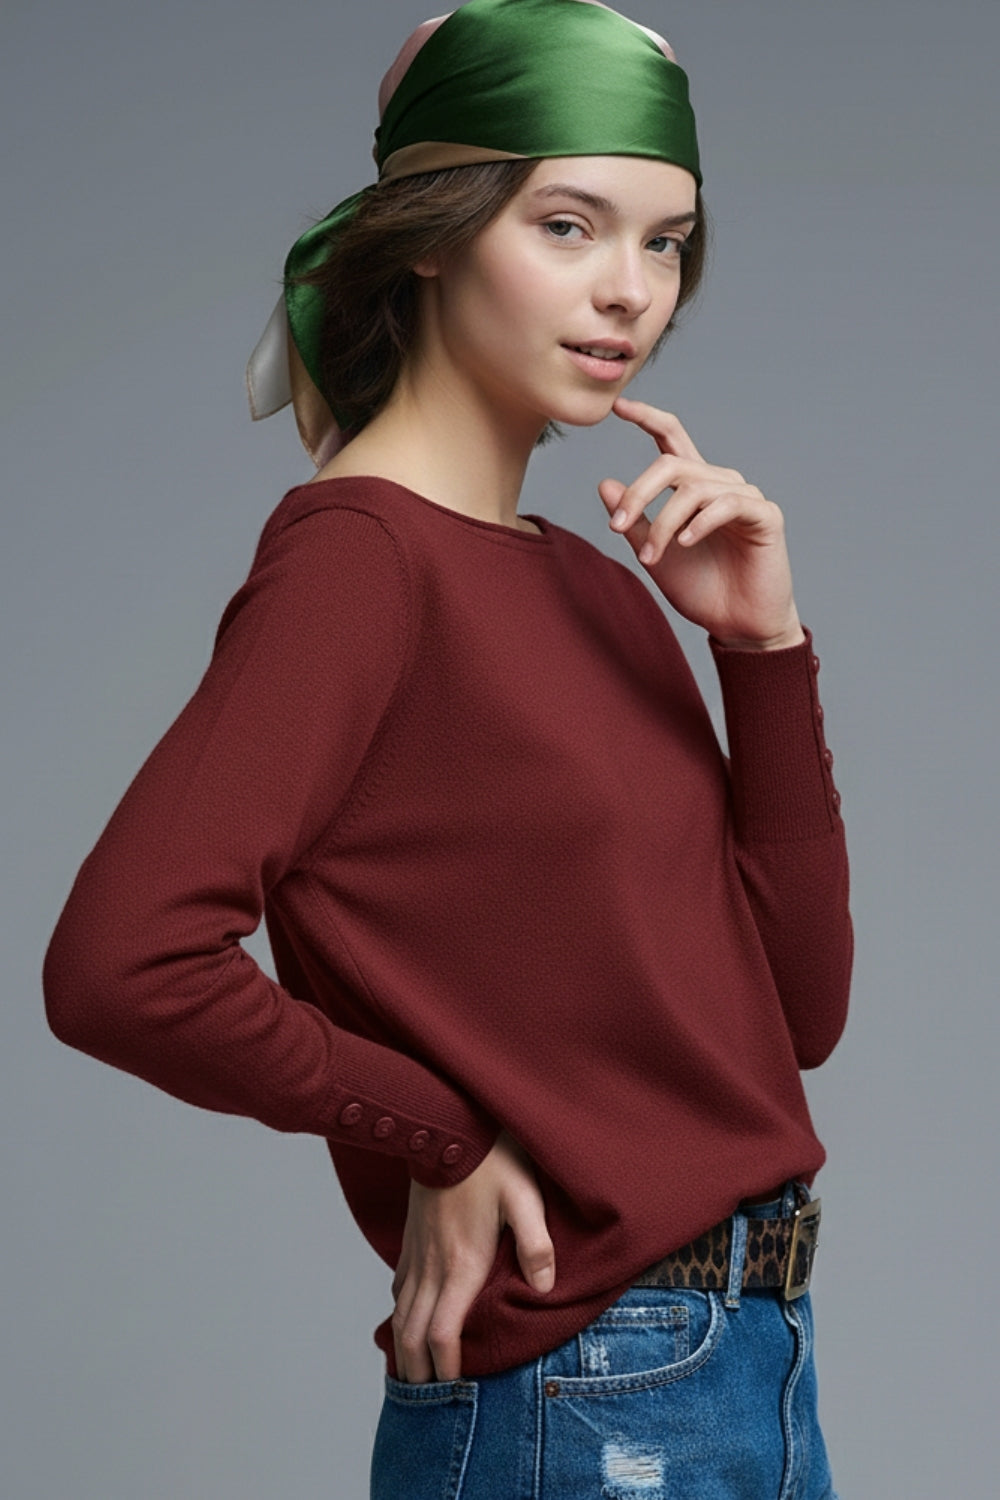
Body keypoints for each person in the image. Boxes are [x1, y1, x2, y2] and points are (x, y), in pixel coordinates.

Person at [42, 1, 852, 1495]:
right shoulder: (360, 563)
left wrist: (764, 653)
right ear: (432, 231)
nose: (630, 290)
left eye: (668, 242)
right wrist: (441, 1135)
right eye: (567, 225)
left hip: (754, 1358)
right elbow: (118, 963)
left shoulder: (593, 585)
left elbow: (797, 1018)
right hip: (589, 1393)